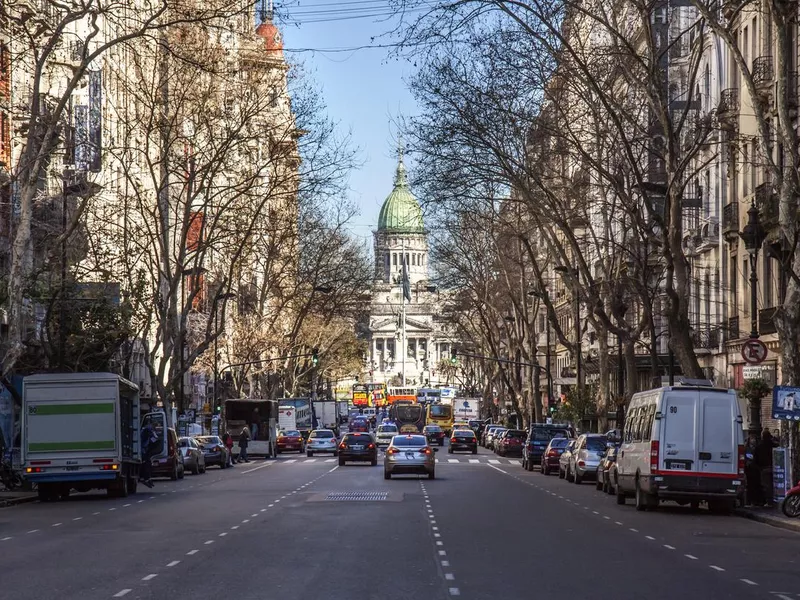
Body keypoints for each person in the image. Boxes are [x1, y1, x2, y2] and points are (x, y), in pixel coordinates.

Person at [755, 429, 778, 507]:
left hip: (764, 468)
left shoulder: (759, 446)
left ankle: (769, 502)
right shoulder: (774, 445)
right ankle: (775, 499)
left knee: (767, 485)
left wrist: (758, 467)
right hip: (775, 467)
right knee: (775, 484)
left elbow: (756, 458)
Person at [744, 433, 762, 506]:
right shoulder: (746, 448)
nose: (753, 440)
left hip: (756, 469)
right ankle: (749, 500)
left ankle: (755, 500)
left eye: (754, 439)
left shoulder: (757, 448)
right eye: (751, 439)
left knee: (756, 485)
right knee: (749, 485)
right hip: (748, 469)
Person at [139, 422, 158, 488]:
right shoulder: (148, 430)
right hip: (143, 451)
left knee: (148, 464)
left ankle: (148, 479)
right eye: (155, 427)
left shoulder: (146, 429)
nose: (155, 428)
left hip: (144, 450)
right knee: (146, 465)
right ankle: (146, 479)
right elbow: (154, 439)